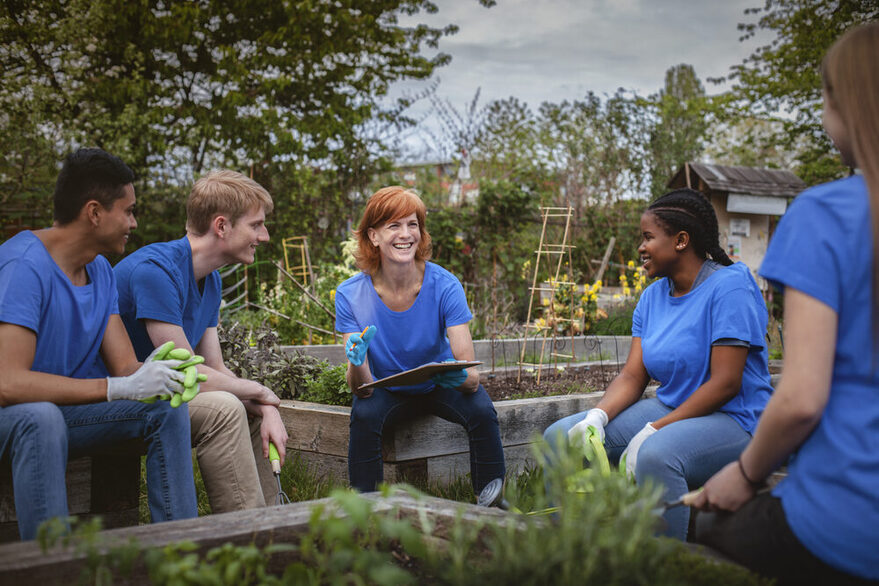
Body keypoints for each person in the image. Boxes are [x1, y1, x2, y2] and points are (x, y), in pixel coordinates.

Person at [692, 23, 879, 585]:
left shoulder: (824, 216)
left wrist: (745, 476)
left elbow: (800, 399)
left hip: (850, 520)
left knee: (704, 526)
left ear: (845, 105)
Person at [543, 188, 773, 540]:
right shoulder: (652, 298)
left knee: (656, 455)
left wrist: (655, 429)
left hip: (737, 419)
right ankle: (570, 554)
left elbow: (726, 383)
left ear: (681, 240)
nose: (641, 247)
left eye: (648, 237)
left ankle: (663, 566)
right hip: (674, 407)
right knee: (559, 438)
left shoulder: (729, 289)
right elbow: (634, 375)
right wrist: (598, 416)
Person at [0, 148, 198, 540]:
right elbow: (9, 384)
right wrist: (116, 387)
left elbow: (124, 366)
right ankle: (53, 569)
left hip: (63, 416)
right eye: (128, 211)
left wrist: (155, 370)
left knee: (164, 407)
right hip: (18, 419)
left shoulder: (100, 271)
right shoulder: (23, 267)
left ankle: (181, 557)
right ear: (94, 212)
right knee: (41, 417)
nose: (134, 222)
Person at [106, 170, 287, 512]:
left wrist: (265, 406)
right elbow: (191, 375)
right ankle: (244, 538)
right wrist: (261, 391)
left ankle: (275, 526)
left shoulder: (211, 279)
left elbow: (214, 366)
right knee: (226, 408)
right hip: (115, 399)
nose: (263, 236)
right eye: (256, 225)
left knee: (248, 409)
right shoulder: (156, 271)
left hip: (162, 393)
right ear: (221, 226)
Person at [335, 186, 505, 493]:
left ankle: (492, 499)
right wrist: (356, 361)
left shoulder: (445, 285)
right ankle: (365, 510)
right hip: (386, 390)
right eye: (394, 225)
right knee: (364, 415)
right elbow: (361, 389)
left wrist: (458, 375)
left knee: (481, 410)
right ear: (373, 236)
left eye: (412, 224)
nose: (405, 234)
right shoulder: (350, 294)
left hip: (437, 386)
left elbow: (472, 379)